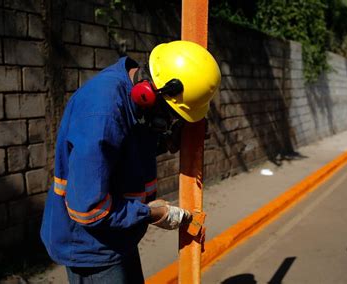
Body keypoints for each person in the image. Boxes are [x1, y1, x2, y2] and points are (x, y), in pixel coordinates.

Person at [40, 40, 221, 283]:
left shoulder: (129, 92)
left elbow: (119, 151)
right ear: (147, 94)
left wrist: (165, 142)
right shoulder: (102, 115)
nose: (168, 122)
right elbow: (88, 210)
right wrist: (151, 213)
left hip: (116, 234)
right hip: (91, 246)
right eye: (169, 115)